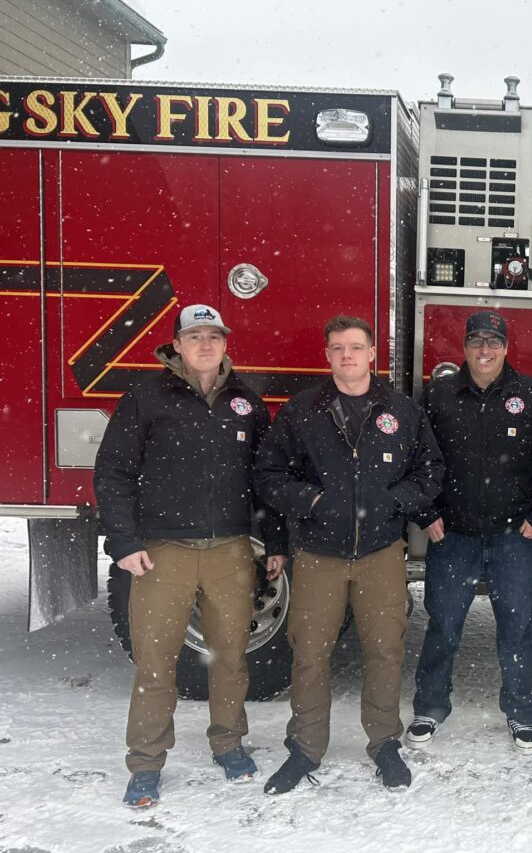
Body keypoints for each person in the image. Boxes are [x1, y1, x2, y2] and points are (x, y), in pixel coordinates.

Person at [94, 304, 288, 809]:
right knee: (156, 664)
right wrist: (124, 543)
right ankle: (145, 762)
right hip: (163, 553)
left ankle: (228, 743)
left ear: (226, 344)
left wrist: (276, 542)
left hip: (229, 551)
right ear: (175, 345)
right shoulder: (146, 396)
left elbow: (265, 480)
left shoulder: (246, 401)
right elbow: (112, 472)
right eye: (195, 336)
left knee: (230, 659)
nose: (206, 344)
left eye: (214, 336)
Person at [253, 315, 443, 794]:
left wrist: (393, 501)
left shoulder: (401, 411)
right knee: (310, 654)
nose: (347, 356)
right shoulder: (302, 412)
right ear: (328, 356)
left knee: (385, 651)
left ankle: (384, 744)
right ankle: (305, 748)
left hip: (381, 552)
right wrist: (313, 501)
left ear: (373, 354)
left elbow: (430, 472)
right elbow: (269, 476)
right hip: (318, 554)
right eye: (337, 348)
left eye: (356, 347)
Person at [407, 311, 532, 752]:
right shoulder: (437, 395)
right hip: (452, 535)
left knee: (516, 628)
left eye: (493, 342)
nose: (485, 350)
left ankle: (520, 711)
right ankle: (430, 706)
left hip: (516, 536)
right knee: (444, 625)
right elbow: (415, 459)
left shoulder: (531, 396)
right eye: (476, 341)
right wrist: (427, 511)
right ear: (465, 347)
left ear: (507, 347)